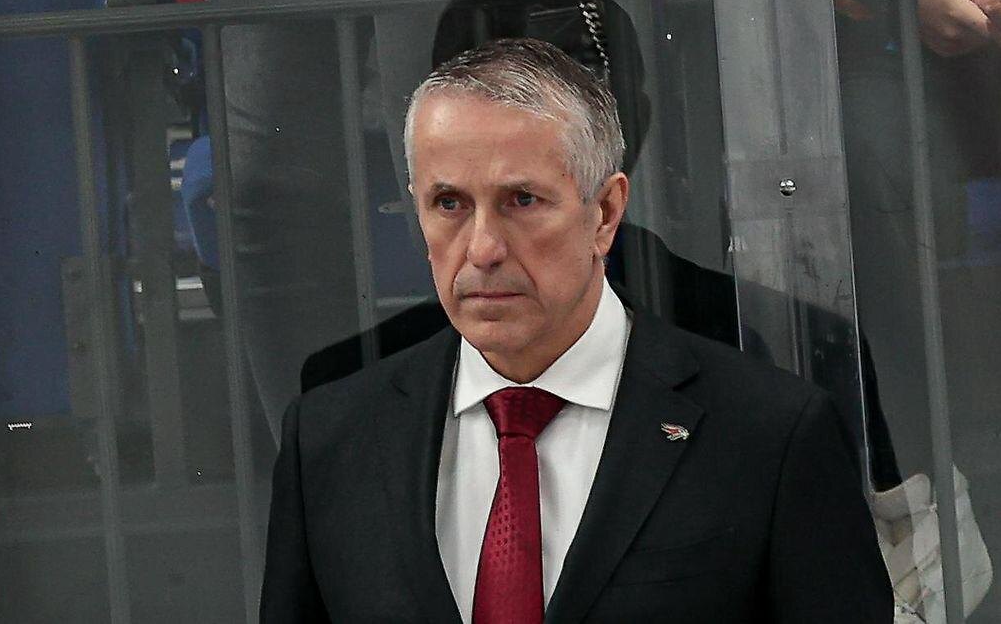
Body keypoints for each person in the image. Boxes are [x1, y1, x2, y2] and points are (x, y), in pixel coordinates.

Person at [260, 38, 892, 622]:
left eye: (522, 201)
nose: (482, 249)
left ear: (605, 212)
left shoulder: (770, 433)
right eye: (449, 203)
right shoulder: (331, 439)